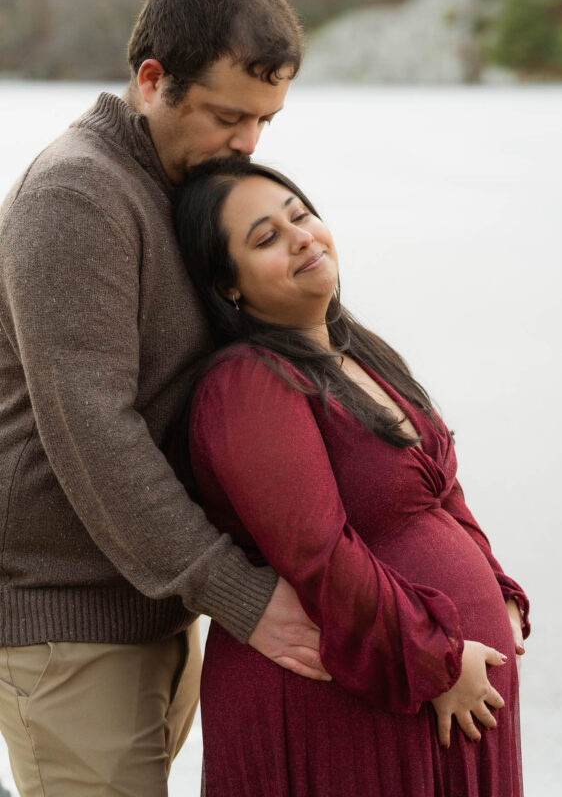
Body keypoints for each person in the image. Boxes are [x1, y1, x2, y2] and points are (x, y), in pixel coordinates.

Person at [0, 0, 329, 797]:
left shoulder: (177, 187)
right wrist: (236, 592)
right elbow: (92, 427)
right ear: (152, 81)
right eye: (228, 116)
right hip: (71, 619)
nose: (250, 142)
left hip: (155, 598)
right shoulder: (79, 192)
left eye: (265, 119)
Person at [174, 156, 531, 797]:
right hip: (354, 699)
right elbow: (316, 552)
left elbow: (440, 487)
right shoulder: (250, 382)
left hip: (435, 689)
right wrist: (436, 663)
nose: (302, 237)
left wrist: (496, 586)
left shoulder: (354, 349)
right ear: (229, 285)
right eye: (267, 238)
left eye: (301, 216)